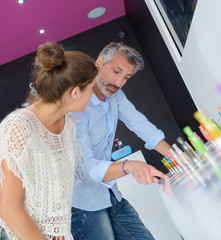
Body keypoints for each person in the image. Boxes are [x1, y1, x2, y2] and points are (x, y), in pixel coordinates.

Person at [70, 42, 172, 240]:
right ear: (99, 63)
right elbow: (86, 167)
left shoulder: (117, 97)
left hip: (109, 193)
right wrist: (130, 166)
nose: (118, 82)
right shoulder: (76, 106)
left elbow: (141, 125)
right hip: (81, 204)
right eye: (116, 71)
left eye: (126, 77)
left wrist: (178, 158)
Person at [0, 42, 98, 240]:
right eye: (92, 88)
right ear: (75, 93)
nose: (93, 95)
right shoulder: (19, 128)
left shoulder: (68, 123)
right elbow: (8, 208)